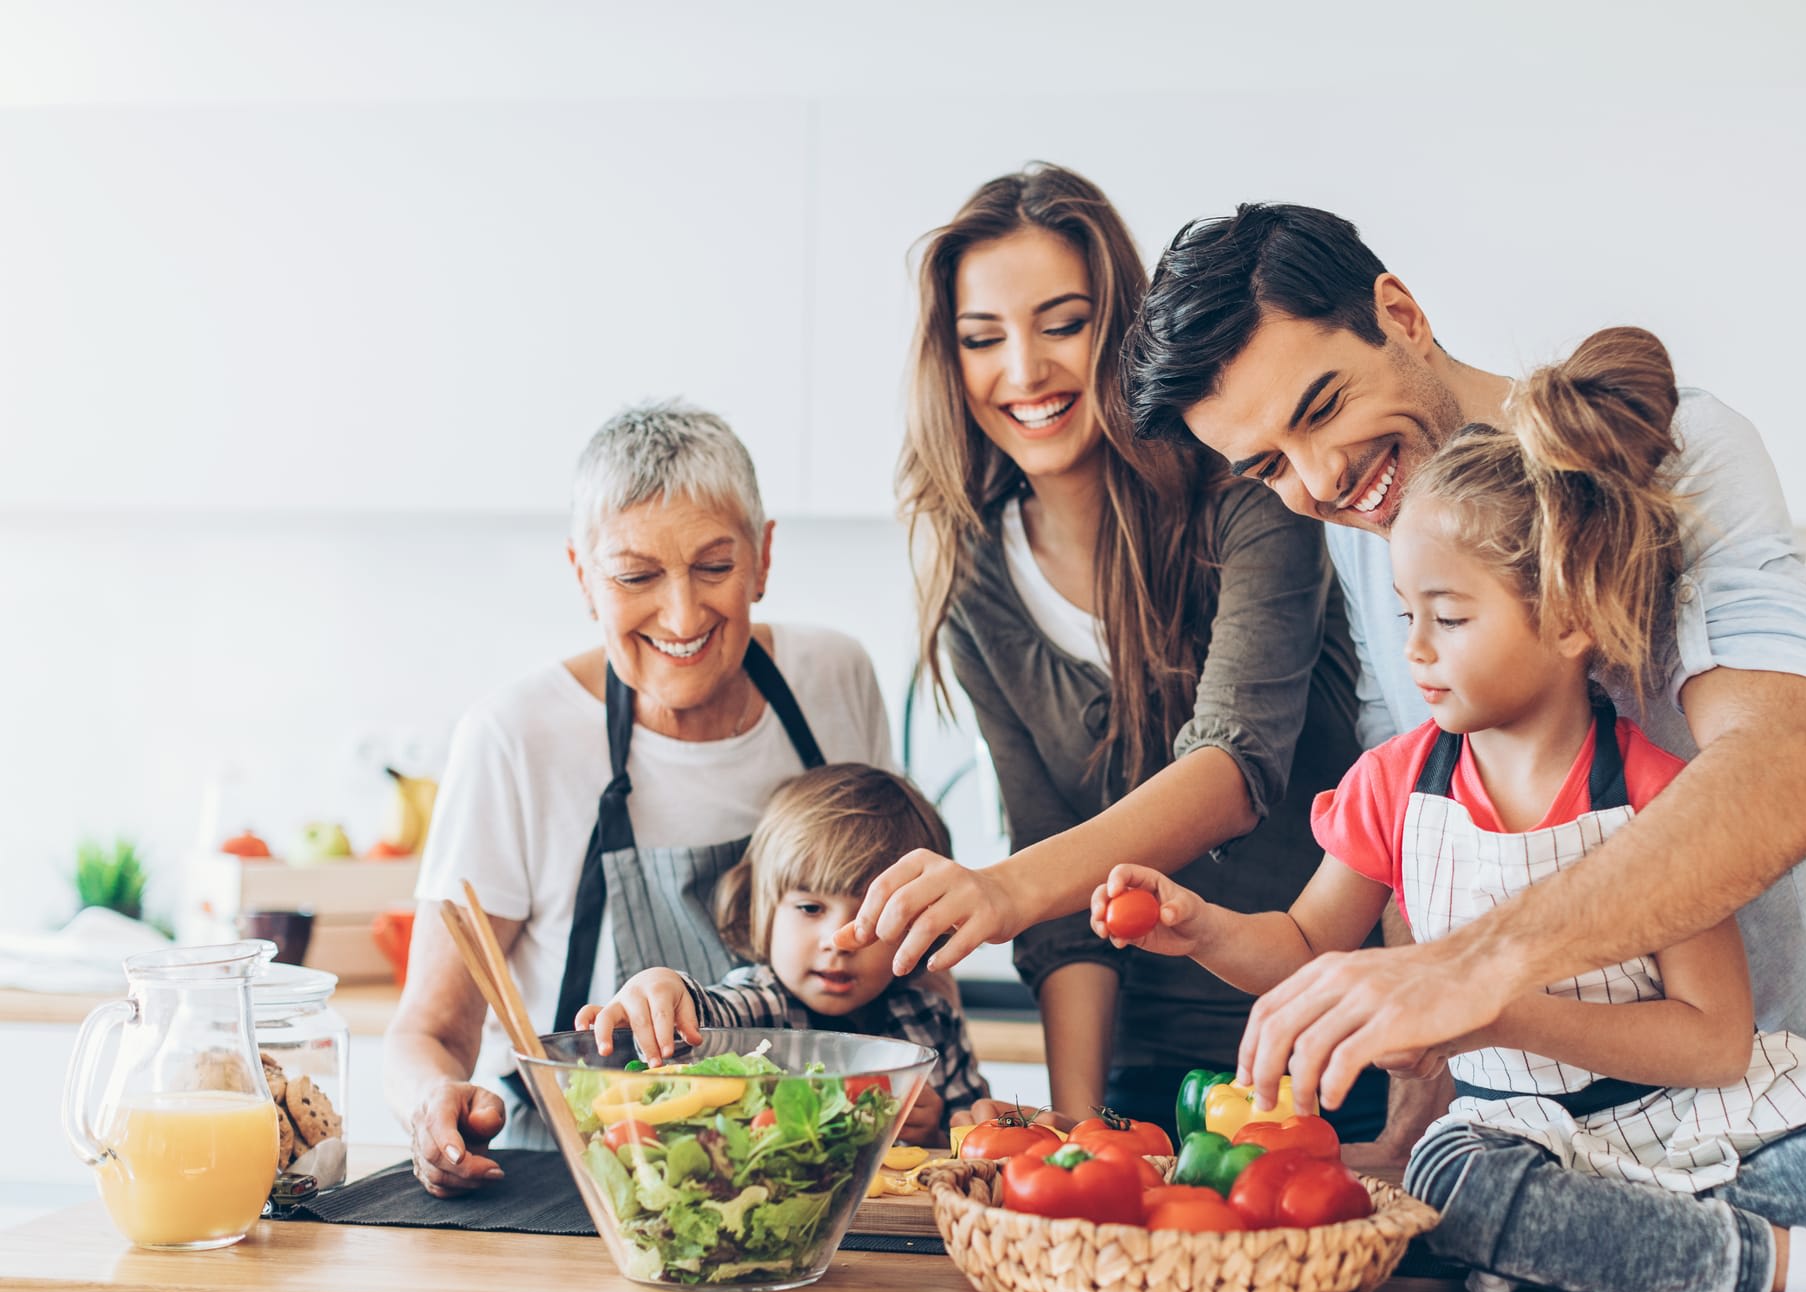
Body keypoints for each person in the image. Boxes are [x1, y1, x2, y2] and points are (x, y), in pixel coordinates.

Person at [1096, 328, 1806, 1292]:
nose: (1413, 651)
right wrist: (1200, 928)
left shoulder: (1662, 797)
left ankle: (1610, 1248)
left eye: (1448, 618)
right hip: (1523, 1142)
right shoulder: (1393, 786)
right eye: (1406, 613)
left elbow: (1717, 1042)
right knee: (1458, 1179)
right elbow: (1304, 946)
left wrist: (1495, 1008)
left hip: (1698, 1123)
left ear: (1570, 617)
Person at [1122, 202, 1806, 1119]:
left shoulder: (1680, 449)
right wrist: (1417, 1113)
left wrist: (1474, 972)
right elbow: (1412, 844)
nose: (1319, 484)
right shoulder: (1371, 524)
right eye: (1267, 467)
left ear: (1400, 314)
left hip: (1760, 1104)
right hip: (1523, 1127)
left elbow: (1793, 773)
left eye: (1321, 408)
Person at [843, 165, 1381, 1137]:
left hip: (1334, 1045)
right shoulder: (976, 581)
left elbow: (1232, 768)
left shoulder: (1250, 494)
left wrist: (1000, 890)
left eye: (1062, 323)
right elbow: (1057, 896)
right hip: (1144, 1073)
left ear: (1122, 331)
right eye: (982, 338)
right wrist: (1078, 1128)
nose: (1024, 370)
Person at [384, 401, 897, 1196]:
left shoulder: (833, 680)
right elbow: (431, 1028)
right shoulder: (515, 738)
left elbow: (906, 941)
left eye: (715, 567)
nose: (683, 614)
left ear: (763, 557)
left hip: (807, 1178)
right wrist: (431, 1105)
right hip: (579, 1187)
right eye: (636, 576)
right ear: (583, 577)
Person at [576, 764, 988, 1147]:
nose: (839, 941)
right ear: (763, 911)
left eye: (873, 918)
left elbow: (974, 1142)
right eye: (810, 909)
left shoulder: (933, 1019)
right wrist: (663, 986)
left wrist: (935, 1132)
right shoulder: (761, 1001)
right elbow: (709, 1014)